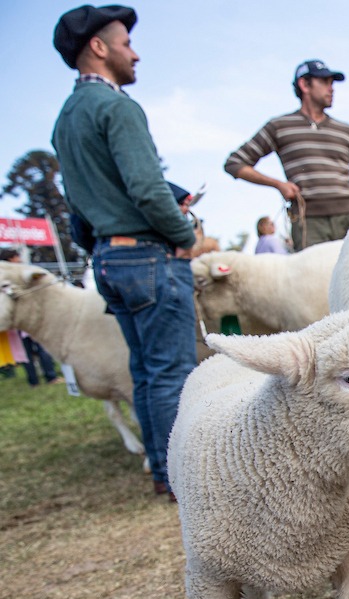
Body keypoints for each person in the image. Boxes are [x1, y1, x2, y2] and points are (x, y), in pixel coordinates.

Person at [51, 4, 198, 498]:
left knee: (145, 369)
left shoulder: (66, 119)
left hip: (109, 260)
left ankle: (164, 470)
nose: (135, 54)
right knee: (172, 371)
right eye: (126, 43)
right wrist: (184, 234)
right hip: (147, 257)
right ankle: (187, 475)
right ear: (98, 47)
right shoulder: (116, 106)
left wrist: (99, 248)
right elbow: (147, 187)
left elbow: (77, 206)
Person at [225, 60, 349, 250]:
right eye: (324, 82)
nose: (331, 89)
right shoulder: (279, 127)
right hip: (308, 223)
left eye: (332, 83)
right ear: (304, 84)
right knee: (315, 280)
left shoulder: (346, 131)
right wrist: (278, 184)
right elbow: (234, 163)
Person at [0, 248, 62, 386]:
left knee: (29, 350)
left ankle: (35, 380)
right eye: (17, 257)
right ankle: (48, 377)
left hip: (20, 319)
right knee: (37, 348)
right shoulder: (14, 274)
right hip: (25, 318)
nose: (20, 259)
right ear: (11, 259)